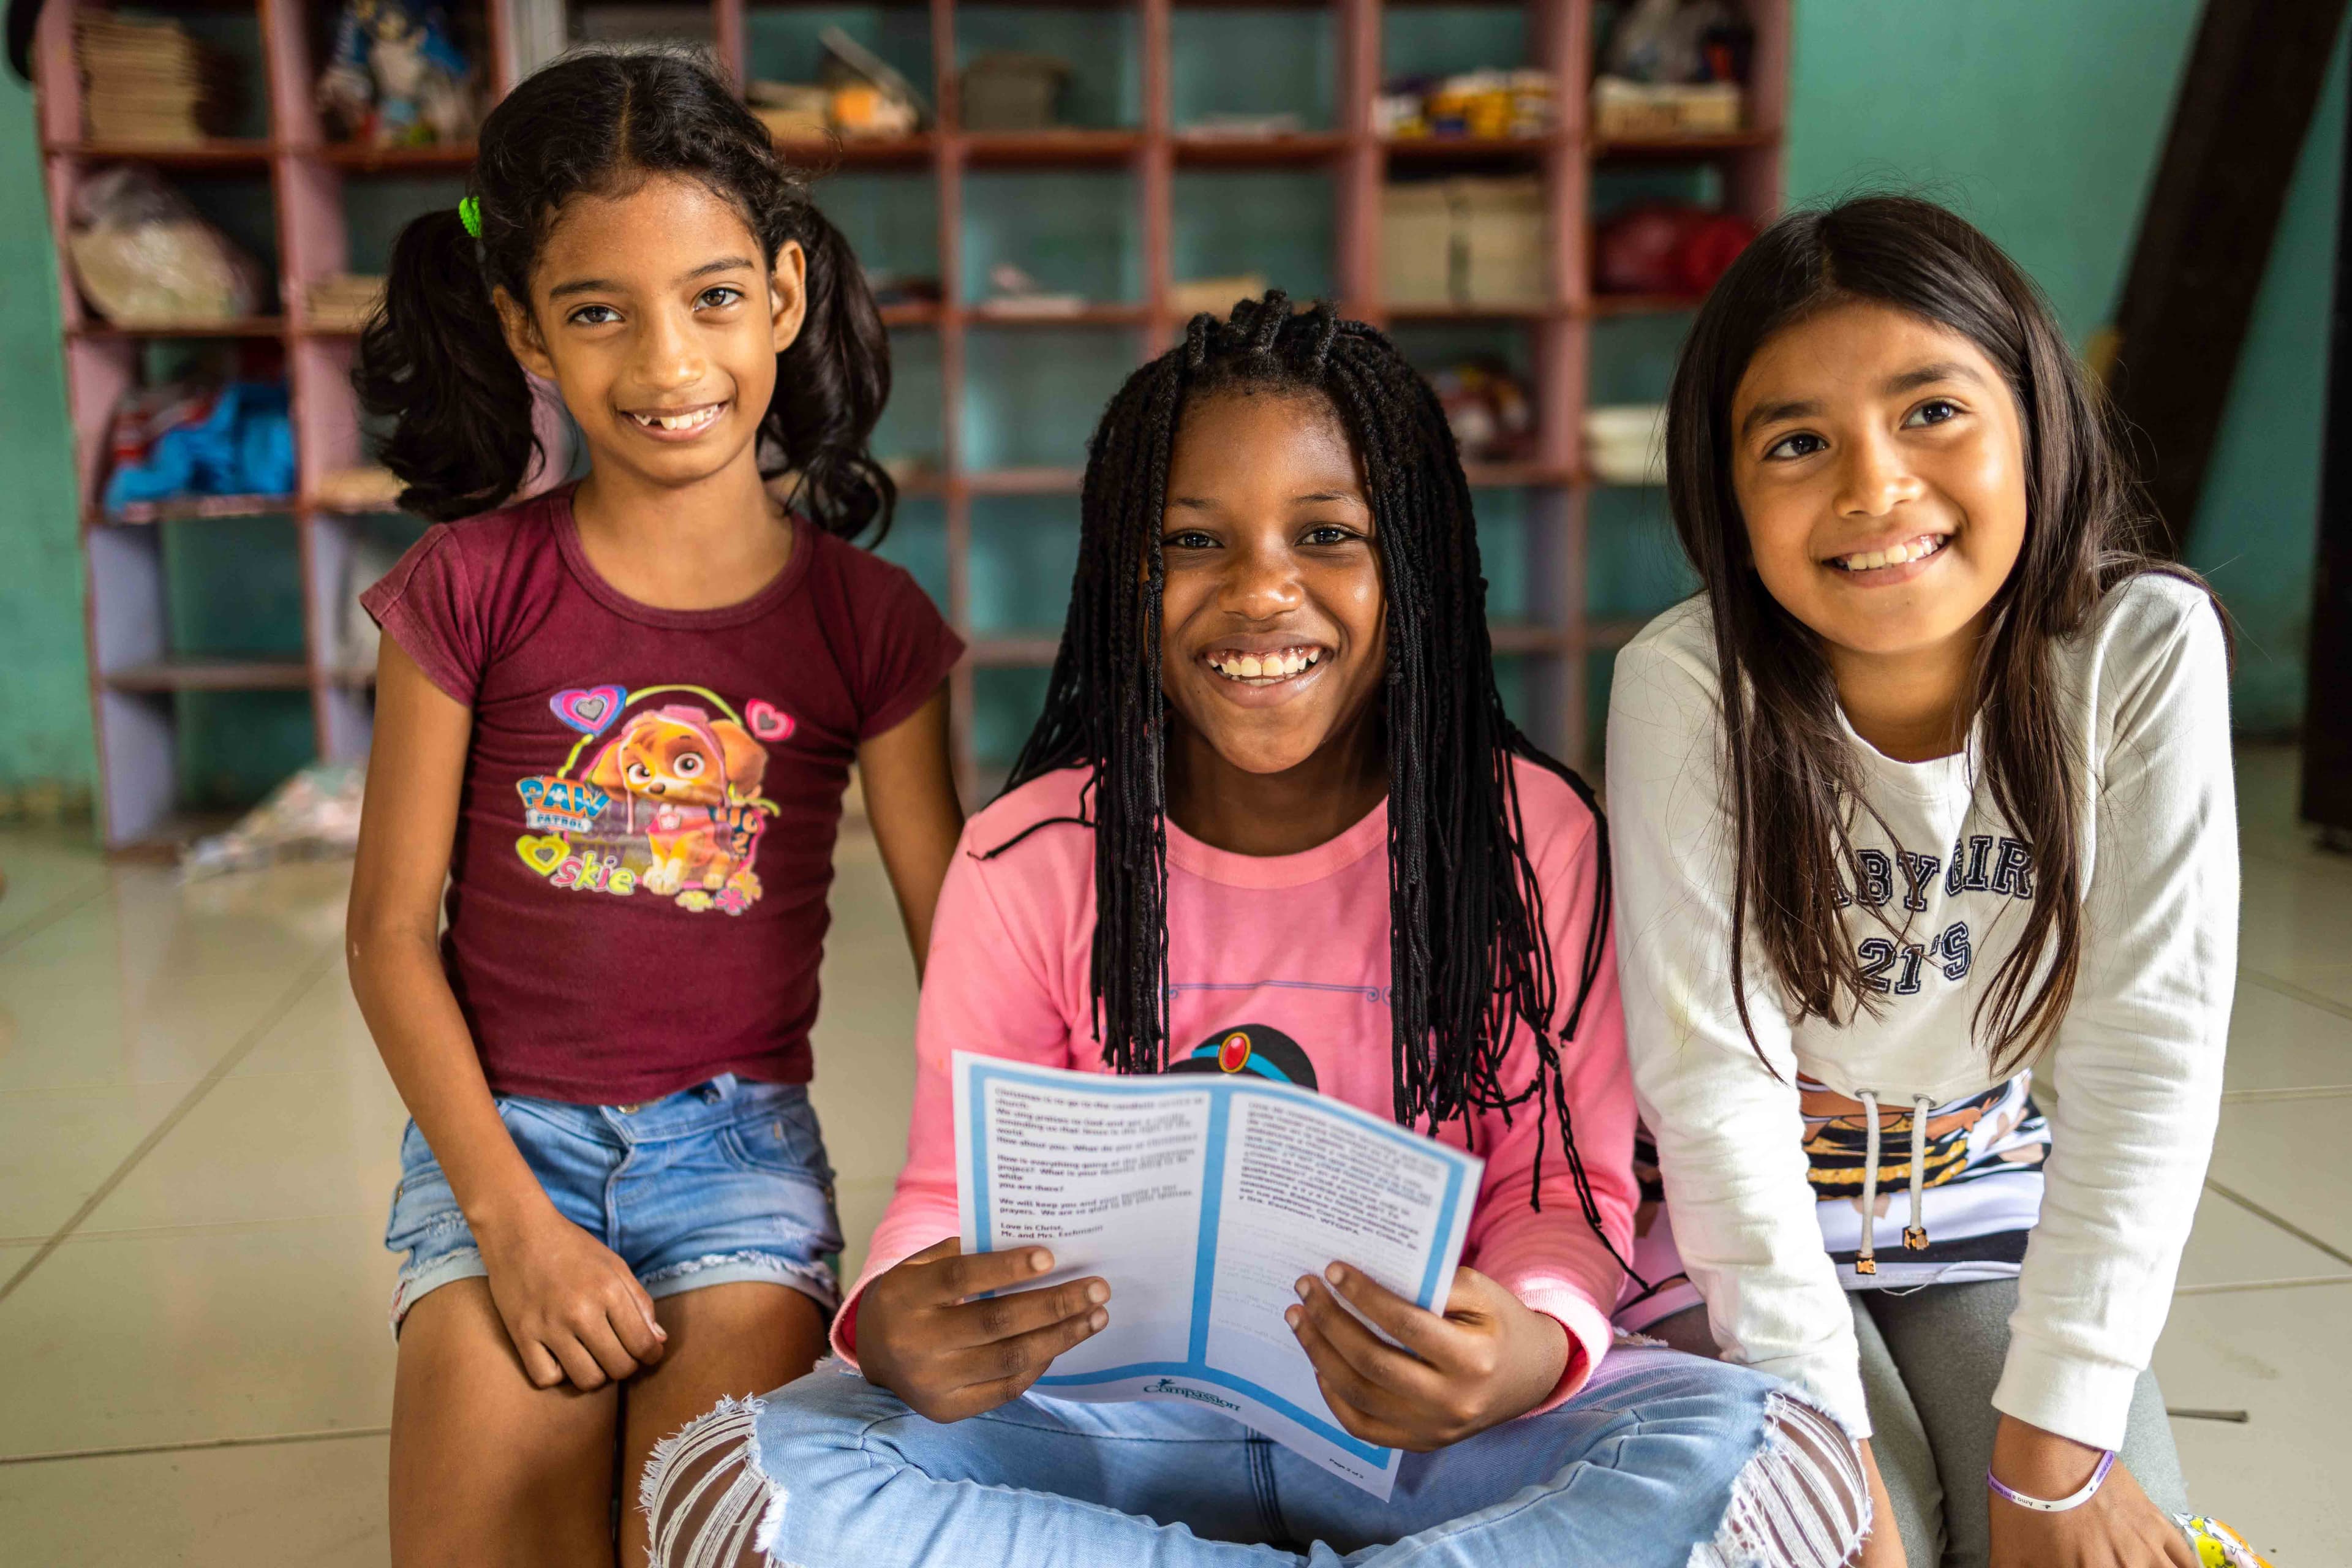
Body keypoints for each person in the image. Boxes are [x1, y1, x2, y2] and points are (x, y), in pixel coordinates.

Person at [641, 294, 1872, 1568]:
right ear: (1123, 575)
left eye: (1329, 533)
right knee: (734, 1482)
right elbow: (946, 1193)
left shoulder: (1528, 836)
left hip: (1427, 1442)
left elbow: (1559, 1189)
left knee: (1784, 1460)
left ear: (1423, 566)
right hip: (1104, 1430)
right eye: (1191, 540)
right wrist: (894, 1321)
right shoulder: (1028, 856)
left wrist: (1521, 1345)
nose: (1262, 590)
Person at [343, 48, 965, 1568]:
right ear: (523, 329)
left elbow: (968, 949)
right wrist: (509, 1222)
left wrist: (949, 1237)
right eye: (597, 310)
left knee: (703, 1542)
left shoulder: (870, 622)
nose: (668, 361)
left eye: (712, 297)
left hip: (737, 1159)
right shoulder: (468, 588)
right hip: (498, 1142)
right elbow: (383, 938)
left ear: (787, 293)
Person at [1605, 196, 2236, 1568]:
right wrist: (1842, 1487)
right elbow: (1714, 1092)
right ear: (1726, 488)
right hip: (1729, 1230)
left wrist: (2060, 1453)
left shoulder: (2140, 648)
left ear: (2035, 421)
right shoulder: (1684, 685)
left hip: (1991, 1197)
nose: (1874, 487)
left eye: (1931, 410)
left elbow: (2149, 1057)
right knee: (1839, 1540)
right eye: (1796, 441)